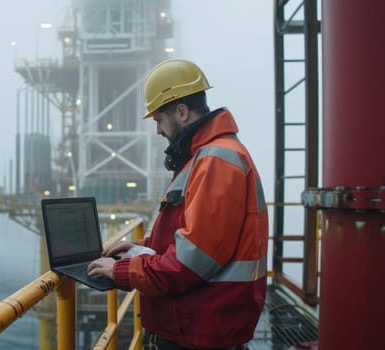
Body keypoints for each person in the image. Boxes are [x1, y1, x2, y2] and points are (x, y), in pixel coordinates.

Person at [87, 59, 268, 350]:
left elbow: (190, 263)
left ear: (182, 112)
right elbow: (193, 238)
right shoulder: (204, 158)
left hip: (202, 329)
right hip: (201, 323)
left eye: (159, 119)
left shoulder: (215, 161)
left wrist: (122, 271)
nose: (157, 130)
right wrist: (138, 248)